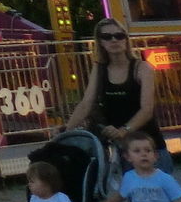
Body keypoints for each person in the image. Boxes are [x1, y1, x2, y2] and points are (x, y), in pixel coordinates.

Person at [67, 17, 171, 171]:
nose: (114, 40)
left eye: (119, 35)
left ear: (126, 39)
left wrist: (123, 131)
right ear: (100, 42)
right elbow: (86, 104)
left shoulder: (142, 68)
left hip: (149, 148)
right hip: (125, 150)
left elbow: (147, 110)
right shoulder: (100, 69)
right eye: (107, 37)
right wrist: (66, 131)